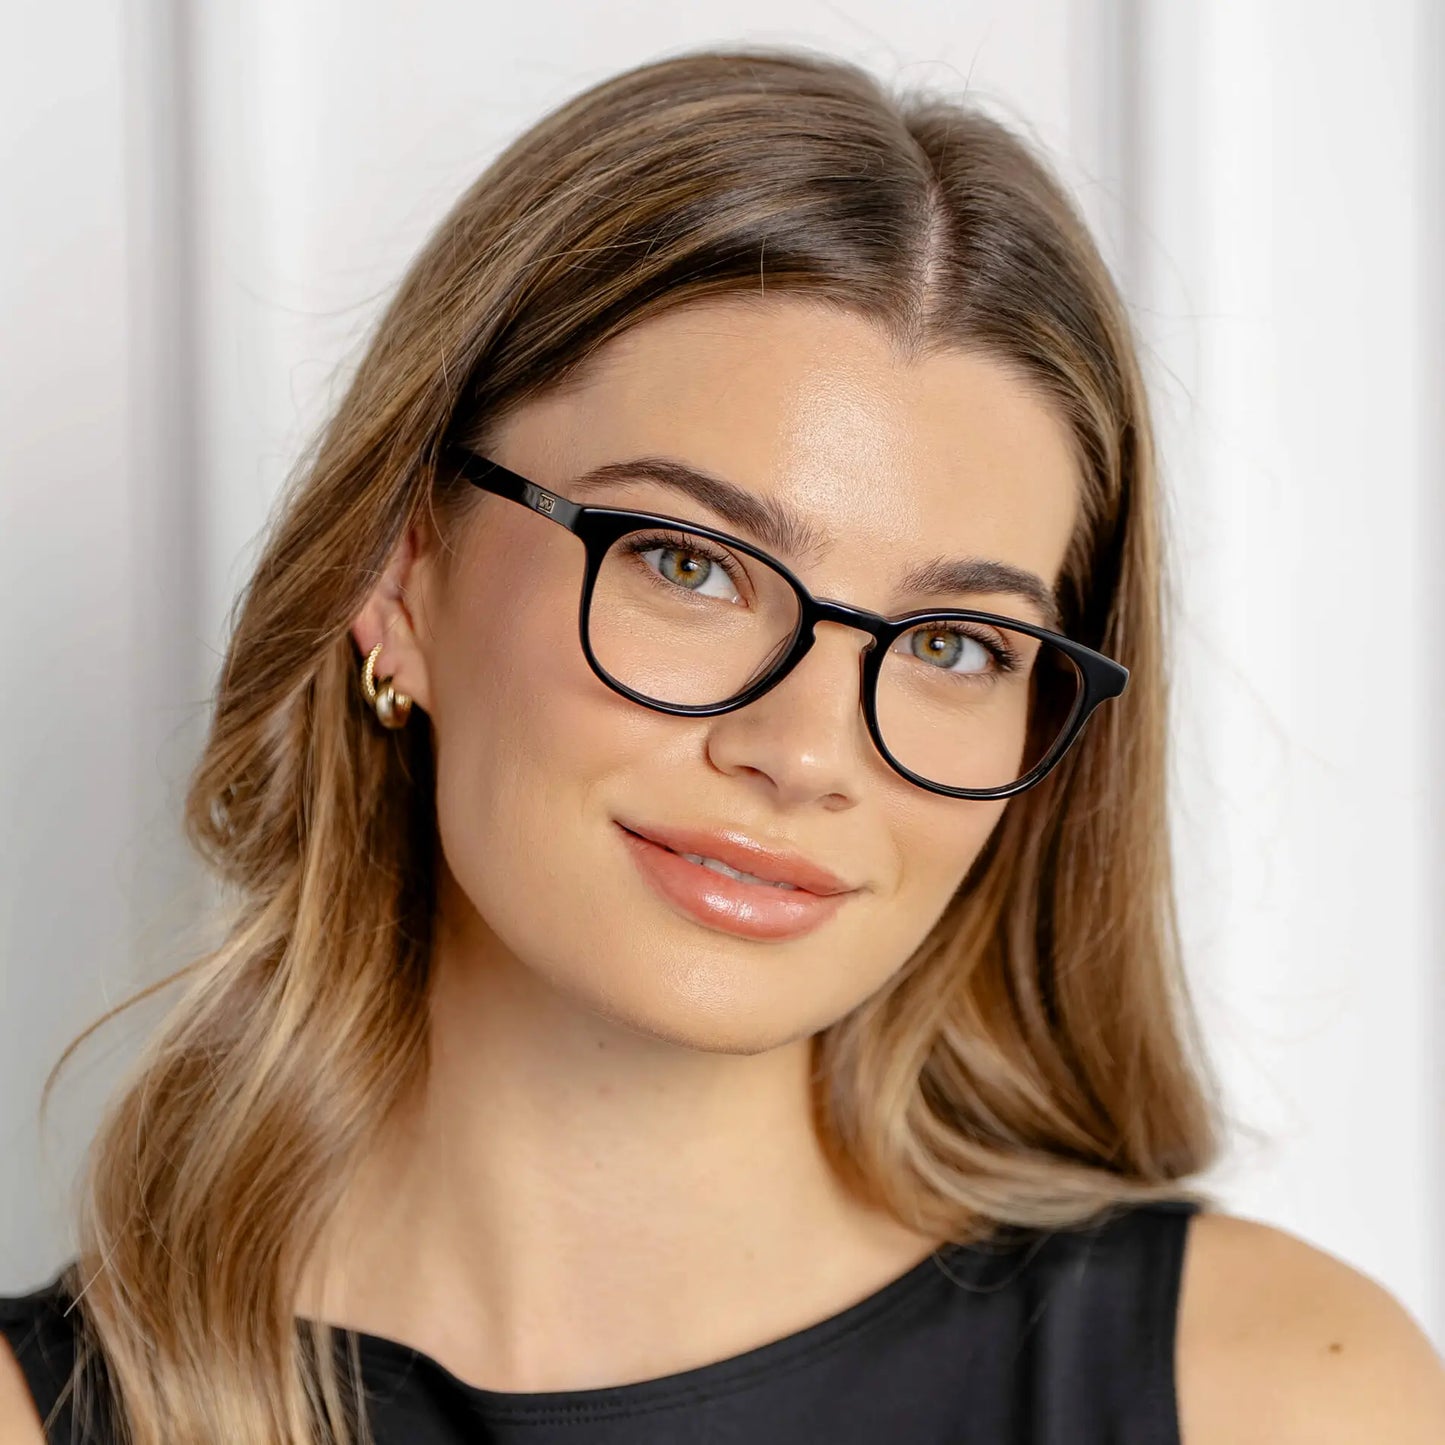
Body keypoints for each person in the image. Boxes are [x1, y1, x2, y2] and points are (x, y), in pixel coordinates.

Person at [2, 43, 1442, 1445]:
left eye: (954, 645)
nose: (805, 751)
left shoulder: (1274, 1395)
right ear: (401, 570)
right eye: (689, 563)